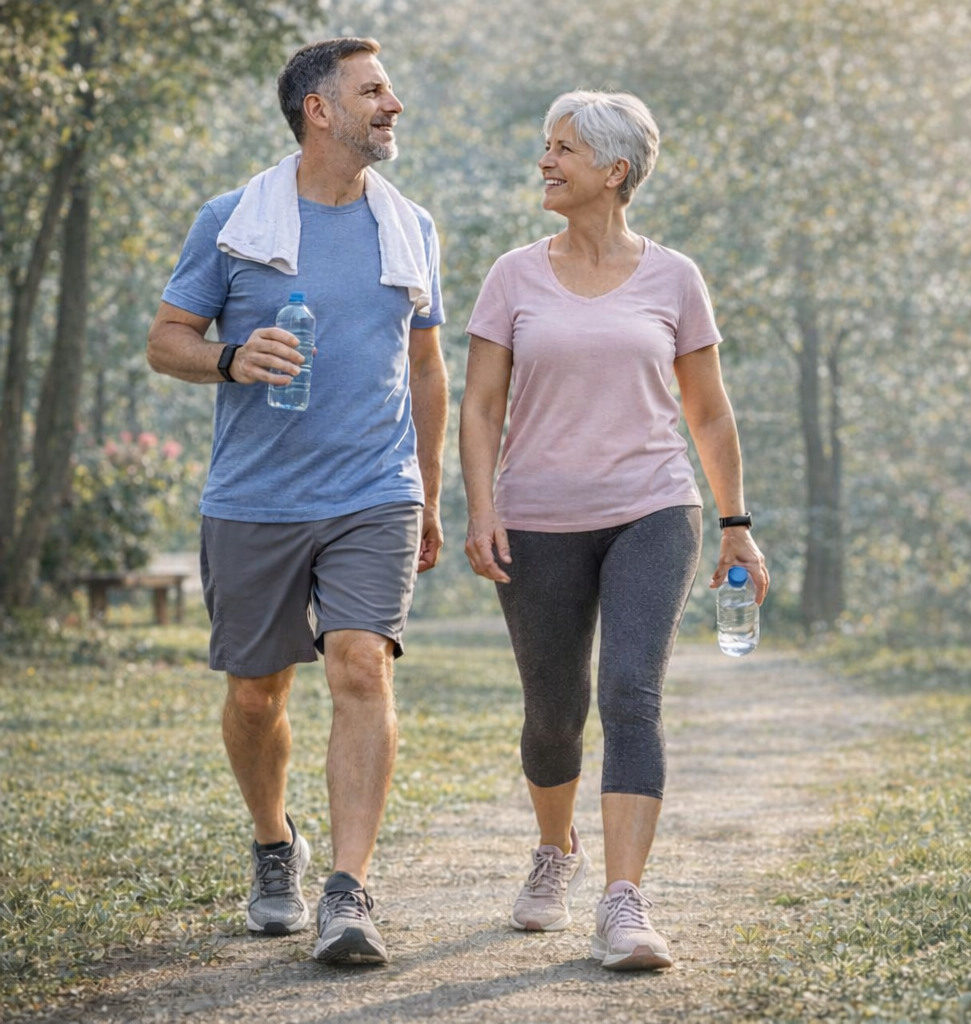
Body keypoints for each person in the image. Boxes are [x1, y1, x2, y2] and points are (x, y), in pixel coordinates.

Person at [145, 37, 448, 966]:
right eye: (374, 90)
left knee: (361, 664)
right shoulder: (234, 220)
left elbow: (429, 369)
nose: (393, 104)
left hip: (374, 489)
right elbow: (166, 341)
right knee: (255, 692)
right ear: (320, 109)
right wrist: (231, 358)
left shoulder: (411, 226)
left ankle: (348, 893)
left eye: (389, 89)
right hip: (256, 494)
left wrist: (430, 496)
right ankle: (275, 844)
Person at [459, 90, 768, 971]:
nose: (545, 163)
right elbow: (481, 408)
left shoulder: (675, 278)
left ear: (614, 171)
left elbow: (708, 415)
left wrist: (736, 524)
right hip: (538, 515)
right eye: (545, 147)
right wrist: (481, 508)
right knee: (554, 712)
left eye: (561, 150)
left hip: (652, 508)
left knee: (631, 693)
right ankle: (555, 853)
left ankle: (624, 901)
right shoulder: (513, 274)